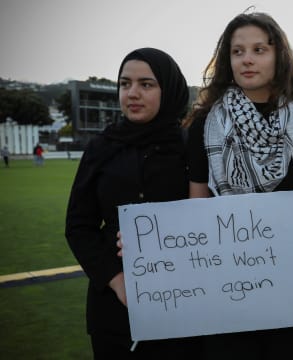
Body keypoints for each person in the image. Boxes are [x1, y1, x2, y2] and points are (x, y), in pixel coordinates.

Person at [184, 11, 293, 360]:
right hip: (229, 293)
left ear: (279, 57)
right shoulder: (205, 123)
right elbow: (197, 207)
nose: (247, 58)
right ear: (227, 60)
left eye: (259, 49)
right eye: (237, 51)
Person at [65, 48, 203, 358]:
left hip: (184, 305)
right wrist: (117, 281)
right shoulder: (100, 148)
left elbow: (209, 218)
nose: (133, 93)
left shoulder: (190, 146)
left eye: (146, 84)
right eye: (125, 84)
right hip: (114, 311)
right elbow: (78, 225)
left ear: (168, 90)